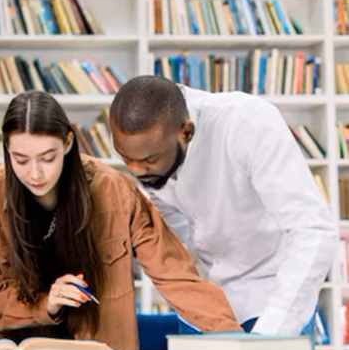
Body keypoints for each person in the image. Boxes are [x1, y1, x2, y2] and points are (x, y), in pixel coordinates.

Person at [0, 90, 242, 350]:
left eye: (48, 157)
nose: (35, 173)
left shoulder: (114, 190)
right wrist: (45, 304)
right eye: (20, 160)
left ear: (68, 142)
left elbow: (176, 275)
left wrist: (238, 343)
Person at [108, 75, 337, 336]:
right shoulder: (155, 149)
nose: (136, 170)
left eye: (150, 159)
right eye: (126, 158)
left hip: (273, 297)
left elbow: (312, 229)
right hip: (212, 302)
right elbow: (176, 234)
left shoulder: (247, 123)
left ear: (187, 132)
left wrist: (270, 337)